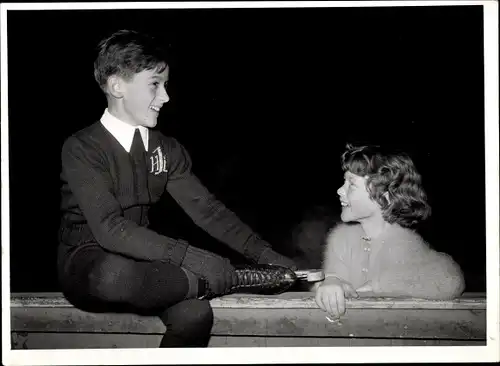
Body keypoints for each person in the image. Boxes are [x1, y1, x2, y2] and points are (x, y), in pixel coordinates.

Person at [57, 29, 297, 348]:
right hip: (87, 261)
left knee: (195, 315)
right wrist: (196, 259)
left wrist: (268, 255)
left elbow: (208, 212)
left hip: (145, 262)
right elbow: (110, 230)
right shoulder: (82, 147)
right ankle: (234, 278)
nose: (166, 97)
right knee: (113, 275)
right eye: (155, 84)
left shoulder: (166, 149)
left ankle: (206, 283)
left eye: (166, 85)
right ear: (117, 86)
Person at [314, 144, 465, 319]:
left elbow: (450, 280)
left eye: (352, 184)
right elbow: (332, 277)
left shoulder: (404, 242)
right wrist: (332, 282)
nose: (340, 190)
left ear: (384, 197)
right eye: (344, 182)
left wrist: (377, 285)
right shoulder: (341, 237)